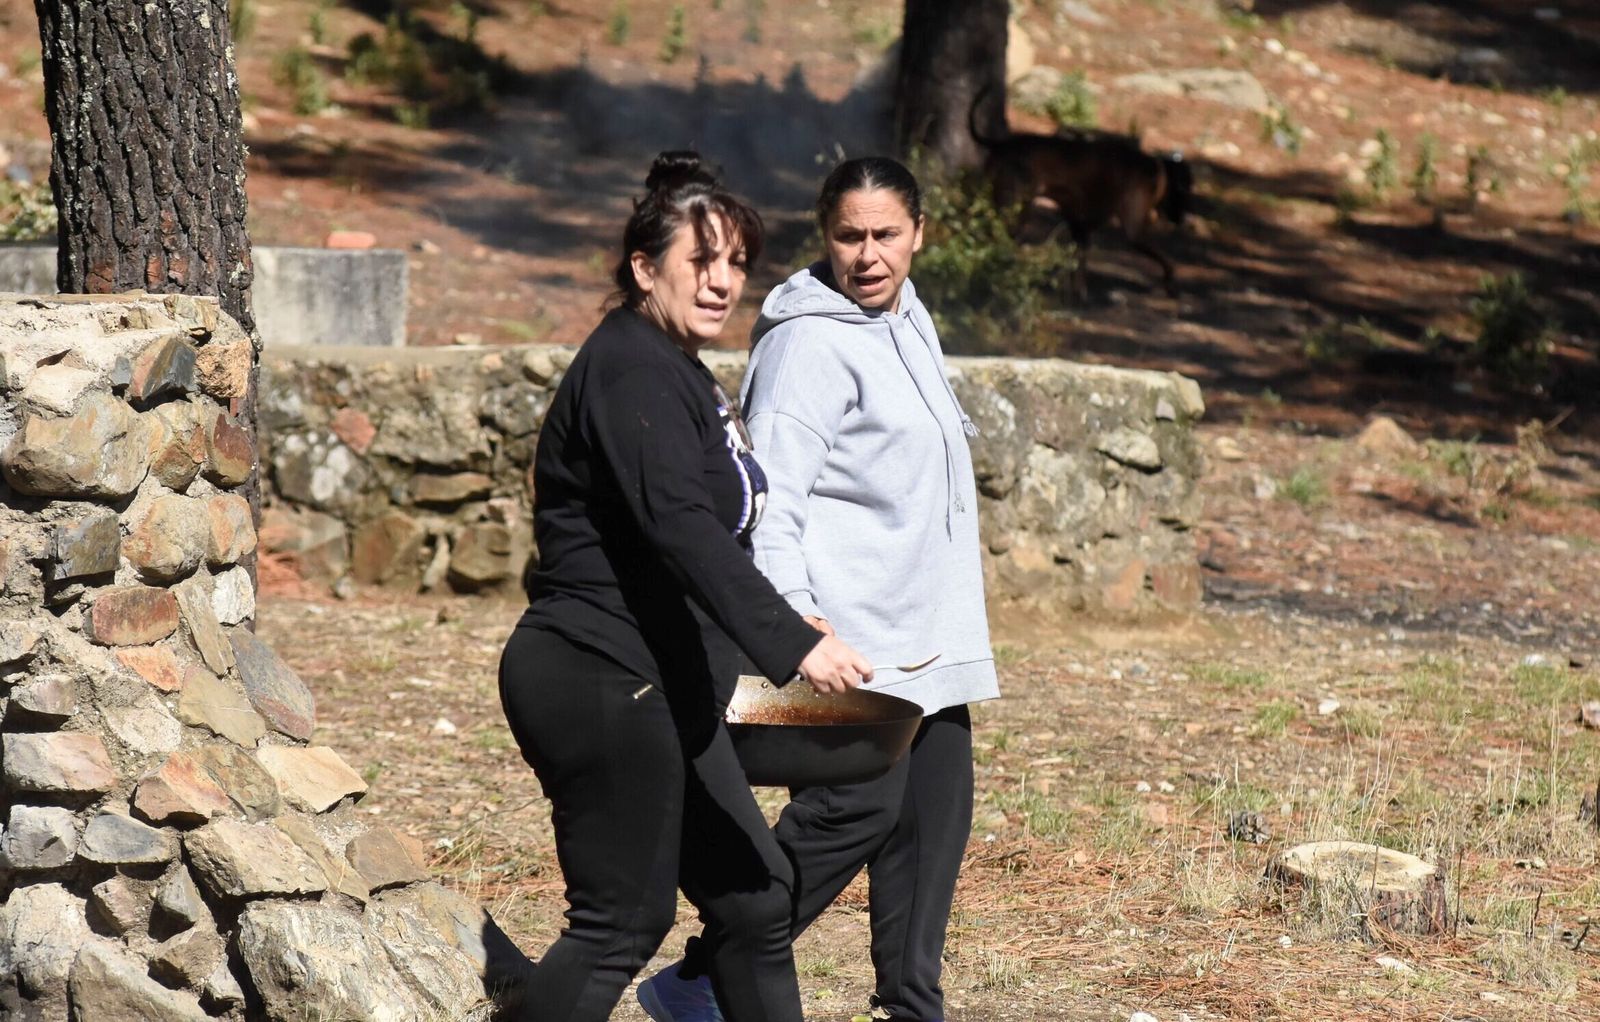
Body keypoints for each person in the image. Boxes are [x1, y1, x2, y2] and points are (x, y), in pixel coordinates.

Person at [499, 150, 874, 1022]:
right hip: (597, 672)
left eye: (736, 263)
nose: (722, 283)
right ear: (643, 268)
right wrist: (794, 642)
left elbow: (700, 539)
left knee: (752, 899)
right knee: (622, 921)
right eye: (700, 261)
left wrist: (774, 628)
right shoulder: (630, 366)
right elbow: (677, 525)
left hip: (665, 679)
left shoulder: (674, 368)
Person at [639, 156, 999, 1022]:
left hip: (932, 636)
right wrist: (796, 629)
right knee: (856, 814)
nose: (868, 255)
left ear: (919, 234)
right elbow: (770, 506)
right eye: (849, 236)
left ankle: (911, 1009)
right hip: (852, 643)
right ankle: (704, 978)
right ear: (824, 236)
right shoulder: (805, 342)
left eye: (886, 235)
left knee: (931, 834)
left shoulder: (911, 318)